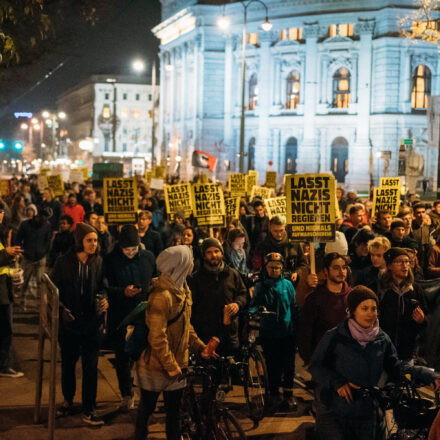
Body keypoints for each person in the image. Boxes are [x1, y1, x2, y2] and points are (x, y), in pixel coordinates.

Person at [310, 286, 440, 440]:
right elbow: (316, 366)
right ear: (352, 311)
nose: (370, 314)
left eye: (374, 309)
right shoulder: (335, 336)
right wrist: (338, 383)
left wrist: (427, 374)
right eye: (364, 308)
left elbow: (396, 367)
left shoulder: (382, 338)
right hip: (337, 412)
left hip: (368, 411)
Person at [134, 245, 208, 440]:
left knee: (174, 414)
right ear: (181, 265)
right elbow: (157, 337)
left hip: (177, 366)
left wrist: (200, 346)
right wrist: (171, 365)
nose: (193, 263)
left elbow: (185, 326)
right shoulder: (162, 296)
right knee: (147, 410)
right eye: (190, 260)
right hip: (155, 368)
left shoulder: (183, 289)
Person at [52, 223, 109, 425]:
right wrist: (60, 308)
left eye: (95, 240)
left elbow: (103, 286)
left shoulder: (99, 262)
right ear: (79, 242)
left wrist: (104, 298)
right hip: (70, 325)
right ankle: (68, 401)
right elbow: (52, 290)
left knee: (91, 368)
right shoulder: (63, 262)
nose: (93, 244)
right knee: (68, 365)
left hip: (92, 324)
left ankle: (89, 409)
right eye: (89, 240)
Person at [104, 224, 156, 411]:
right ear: (120, 247)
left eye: (134, 249)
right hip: (121, 315)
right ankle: (126, 393)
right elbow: (104, 287)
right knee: (122, 356)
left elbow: (155, 278)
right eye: (127, 250)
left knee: (142, 354)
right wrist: (122, 292)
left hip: (144, 314)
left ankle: (145, 391)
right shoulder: (110, 260)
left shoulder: (148, 257)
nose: (131, 253)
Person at [250, 252, 297, 411]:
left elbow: (293, 304)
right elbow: (254, 303)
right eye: (271, 267)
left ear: (282, 268)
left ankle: (288, 394)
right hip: (269, 331)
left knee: (289, 364)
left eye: (277, 267)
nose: (275, 270)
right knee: (272, 364)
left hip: (287, 331)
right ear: (266, 268)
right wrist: (256, 310)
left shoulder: (288, 285)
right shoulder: (261, 285)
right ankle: (274, 393)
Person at [189, 237, 247, 355]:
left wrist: (237, 304)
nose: (213, 255)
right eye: (209, 252)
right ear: (204, 255)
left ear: (221, 252)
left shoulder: (232, 274)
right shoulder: (196, 279)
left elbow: (243, 293)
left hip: (230, 333)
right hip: (207, 335)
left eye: (216, 251)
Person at [298, 252, 351, 366]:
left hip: (348, 359)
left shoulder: (353, 296)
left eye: (344, 268)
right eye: (336, 268)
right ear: (326, 271)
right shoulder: (315, 299)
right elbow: (305, 332)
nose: (341, 272)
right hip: (323, 361)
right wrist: (308, 359)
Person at [378, 247, 428, 361]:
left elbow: (425, 320)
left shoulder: (415, 289)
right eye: (399, 261)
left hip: (408, 350)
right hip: (384, 349)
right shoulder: (381, 289)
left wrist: (422, 320)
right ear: (389, 266)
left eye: (407, 261)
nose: (404, 265)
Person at [0, 202, 23, 378]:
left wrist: (12, 259)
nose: (0, 215)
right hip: (1, 293)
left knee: (6, 329)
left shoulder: (2, 233)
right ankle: (4, 366)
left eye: (1, 212)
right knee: (6, 329)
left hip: (4, 289)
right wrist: (6, 254)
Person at [252, 215, 305, 284]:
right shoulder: (263, 244)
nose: (279, 234)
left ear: (285, 227)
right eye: (275, 231)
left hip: (290, 284)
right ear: (270, 229)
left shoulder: (294, 242)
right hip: (269, 284)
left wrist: (297, 273)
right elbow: (256, 265)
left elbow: (303, 263)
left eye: (281, 230)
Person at [15, 207, 52, 302]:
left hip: (40, 258)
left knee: (41, 282)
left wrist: (43, 252)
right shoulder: (25, 225)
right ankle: (22, 301)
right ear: (38, 215)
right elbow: (18, 239)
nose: (44, 220)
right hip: (28, 257)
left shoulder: (47, 225)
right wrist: (21, 251)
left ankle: (40, 304)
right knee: (24, 281)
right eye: (43, 218)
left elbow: (48, 241)